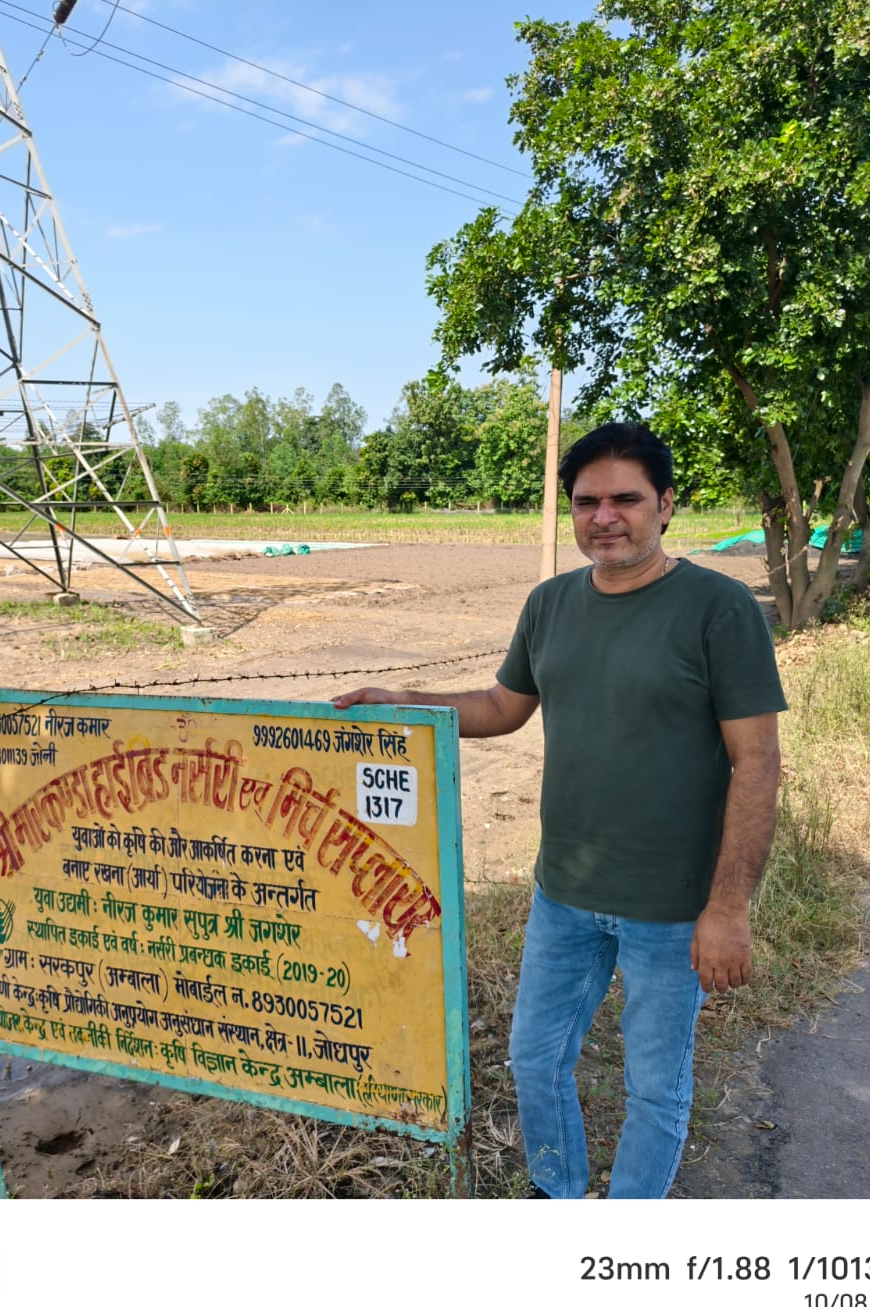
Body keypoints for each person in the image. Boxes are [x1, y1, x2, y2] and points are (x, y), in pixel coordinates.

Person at [333, 422, 785, 1198]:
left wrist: (729, 907)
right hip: (565, 894)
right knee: (535, 1058)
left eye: (625, 499)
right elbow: (501, 706)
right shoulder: (549, 604)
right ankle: (557, 1191)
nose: (604, 517)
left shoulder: (718, 607)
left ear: (666, 504)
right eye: (585, 502)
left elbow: (758, 761)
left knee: (655, 1087)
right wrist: (403, 699)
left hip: (673, 908)